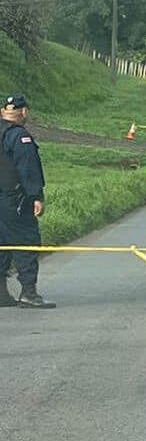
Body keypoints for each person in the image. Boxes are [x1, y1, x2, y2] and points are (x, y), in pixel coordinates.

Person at [0, 95, 55, 308]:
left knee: (2, 244)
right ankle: (29, 293)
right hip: (14, 201)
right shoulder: (19, 136)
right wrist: (36, 197)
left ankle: (1, 294)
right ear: (24, 112)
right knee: (26, 241)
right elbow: (28, 169)